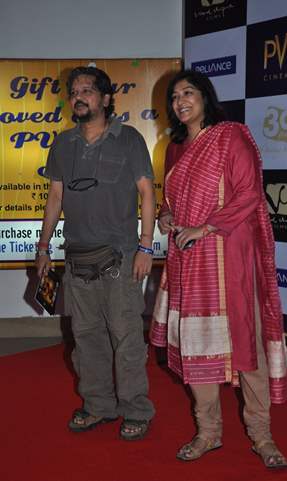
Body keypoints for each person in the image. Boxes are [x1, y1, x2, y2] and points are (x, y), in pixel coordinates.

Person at [150, 69, 287, 467]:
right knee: (198, 348)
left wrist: (205, 226)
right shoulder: (174, 149)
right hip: (190, 261)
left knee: (246, 348)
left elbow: (249, 194)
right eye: (174, 97)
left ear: (205, 97)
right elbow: (171, 201)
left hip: (230, 259)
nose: (180, 101)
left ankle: (262, 437)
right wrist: (167, 216)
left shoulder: (231, 136)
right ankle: (208, 432)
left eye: (188, 92)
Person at [36, 66, 155, 441]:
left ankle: (136, 409)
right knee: (86, 340)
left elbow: (147, 194)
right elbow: (55, 198)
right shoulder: (63, 144)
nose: (78, 96)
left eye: (87, 90)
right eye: (74, 91)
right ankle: (98, 405)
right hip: (77, 260)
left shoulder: (129, 139)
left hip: (119, 259)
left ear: (105, 98)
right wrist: (43, 247)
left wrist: (145, 246)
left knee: (127, 339)